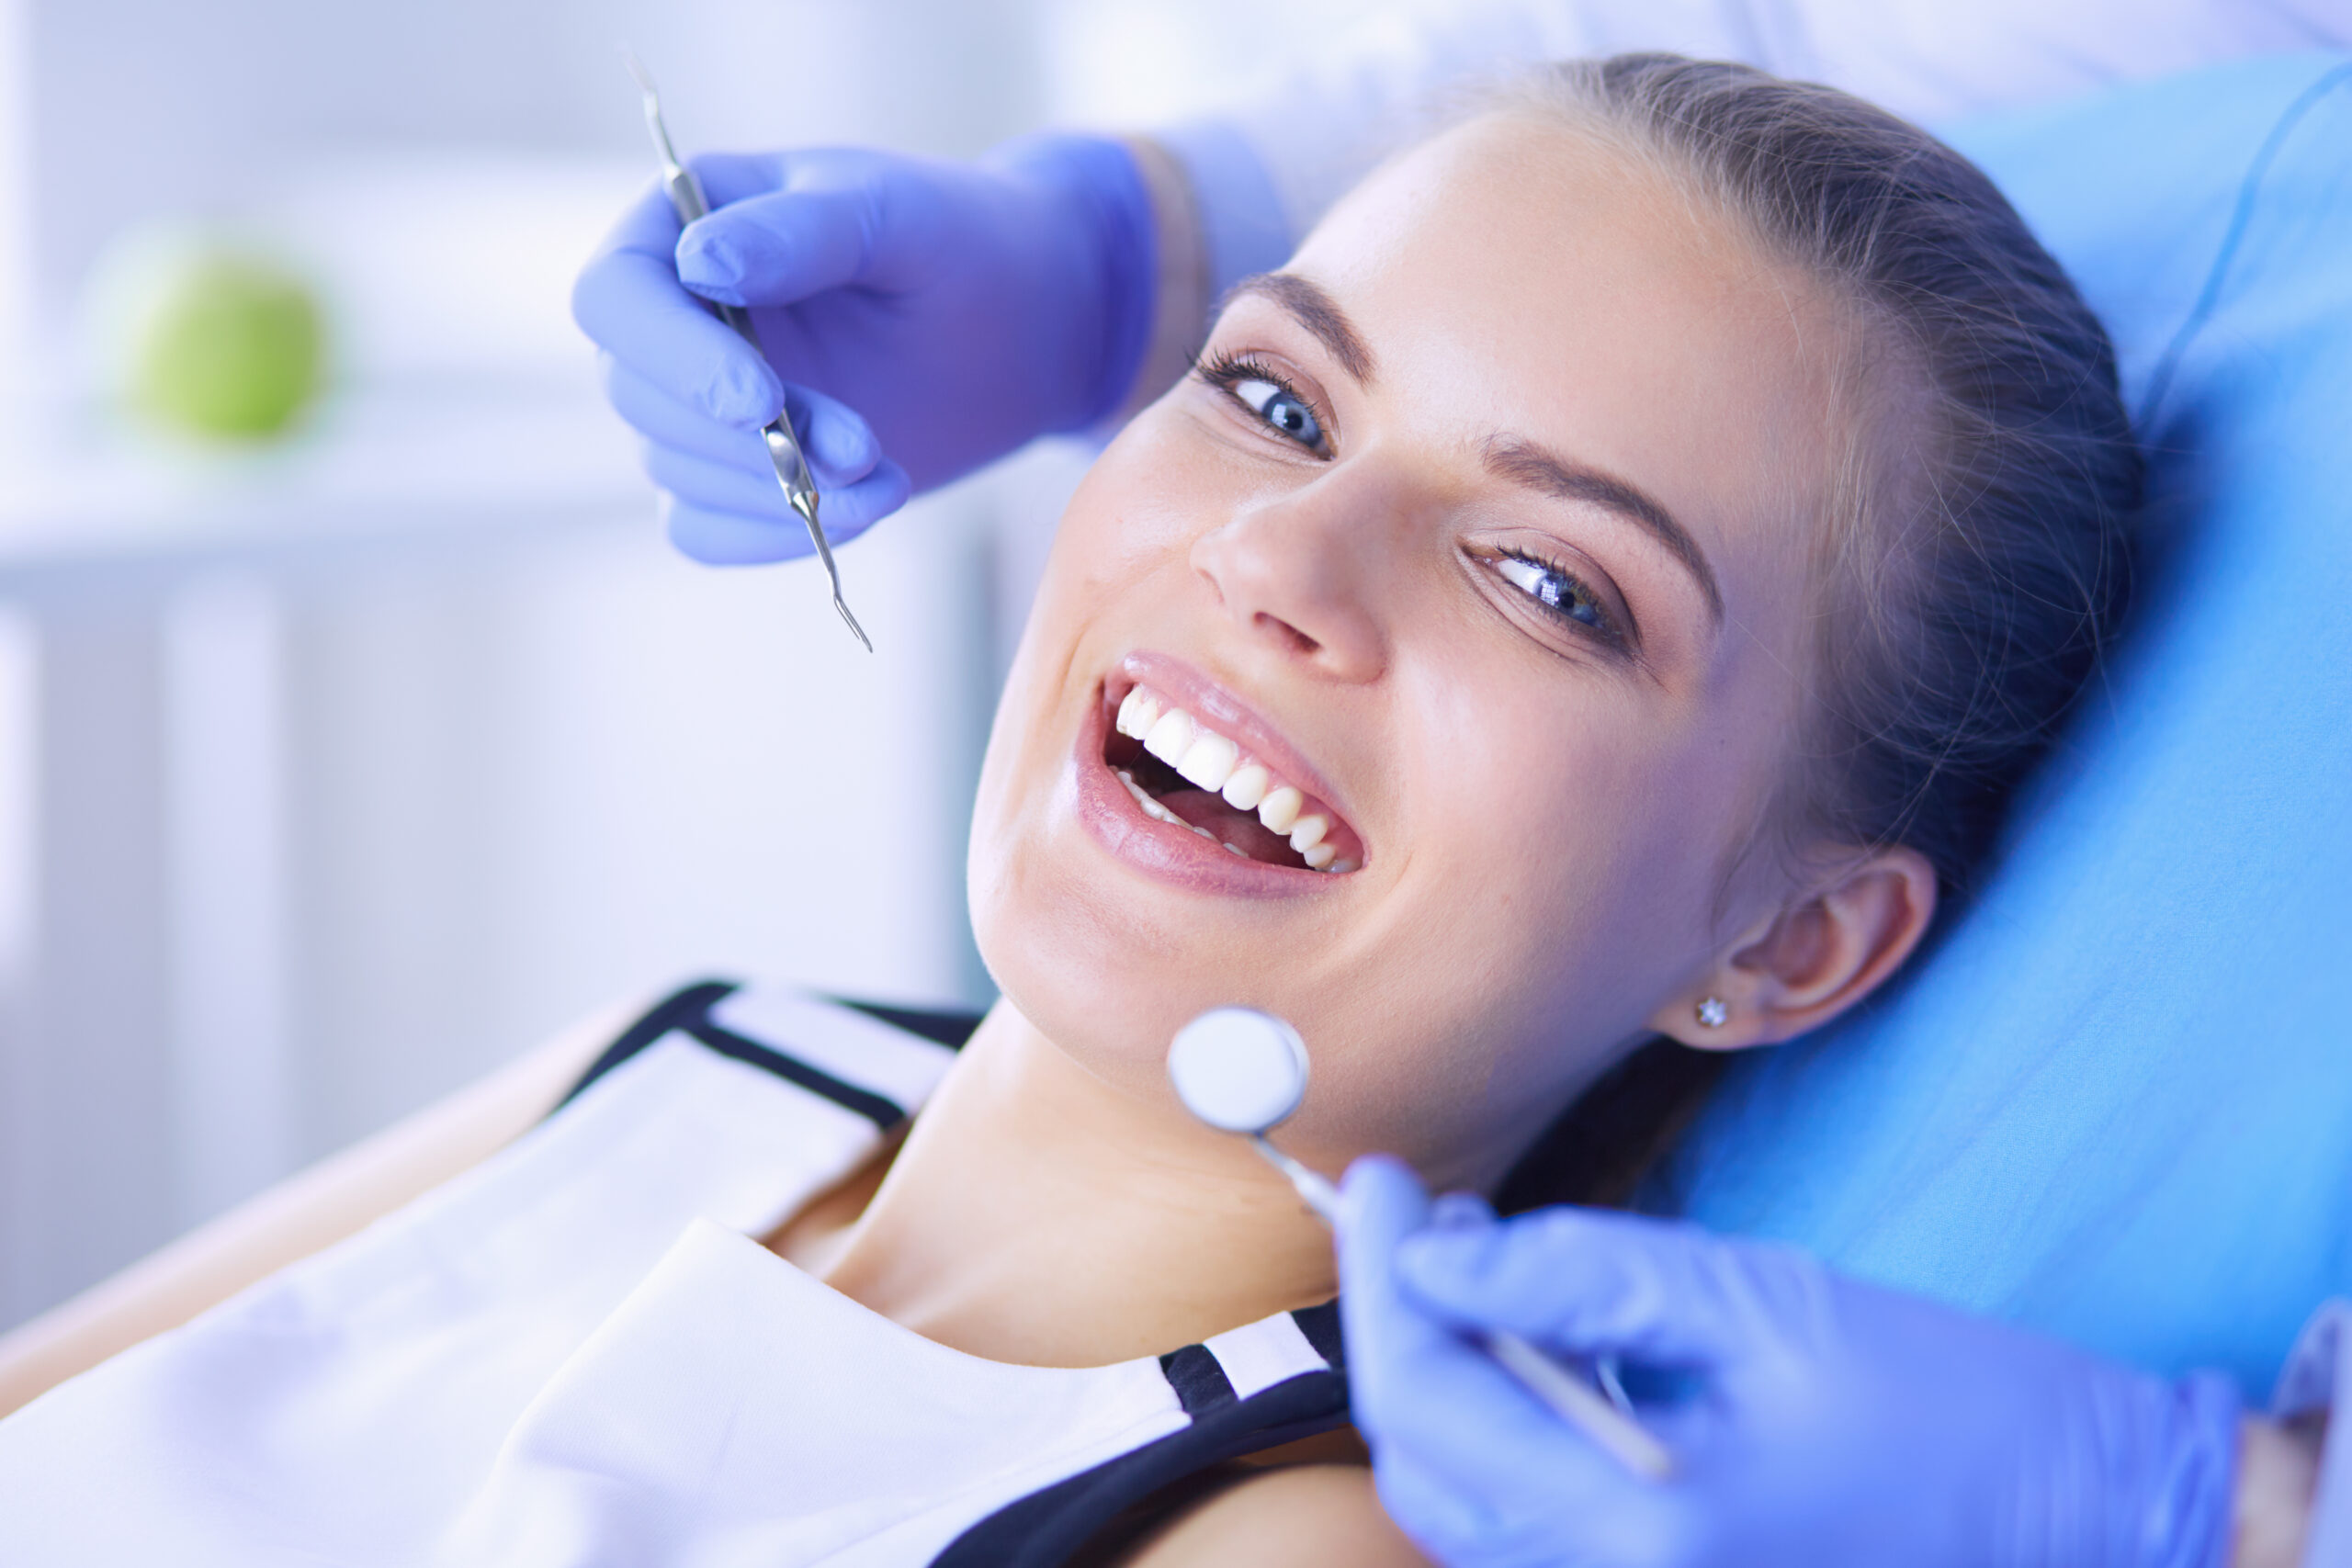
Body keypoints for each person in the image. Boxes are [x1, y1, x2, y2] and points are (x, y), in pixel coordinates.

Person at [0, 49, 2323, 1568]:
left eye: (1548, 579)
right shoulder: (692, 1055)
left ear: (1785, 943)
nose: (1275, 563)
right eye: (1272, 400)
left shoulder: (1280, 1537)